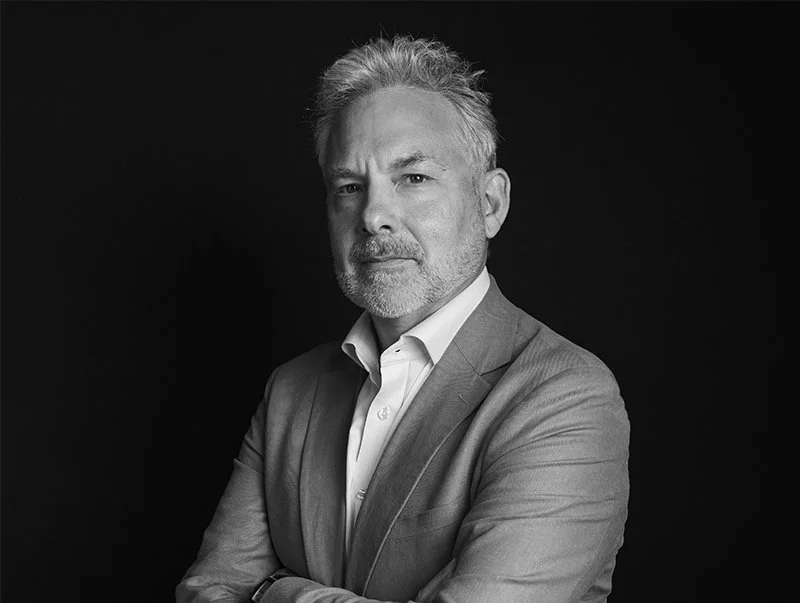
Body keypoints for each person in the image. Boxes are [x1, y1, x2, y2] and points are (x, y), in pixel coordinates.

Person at [176, 35, 630, 603]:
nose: (373, 216)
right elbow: (208, 590)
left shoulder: (565, 396)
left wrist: (271, 591)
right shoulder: (291, 391)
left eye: (413, 178)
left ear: (490, 203)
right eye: (349, 187)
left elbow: (238, 591)